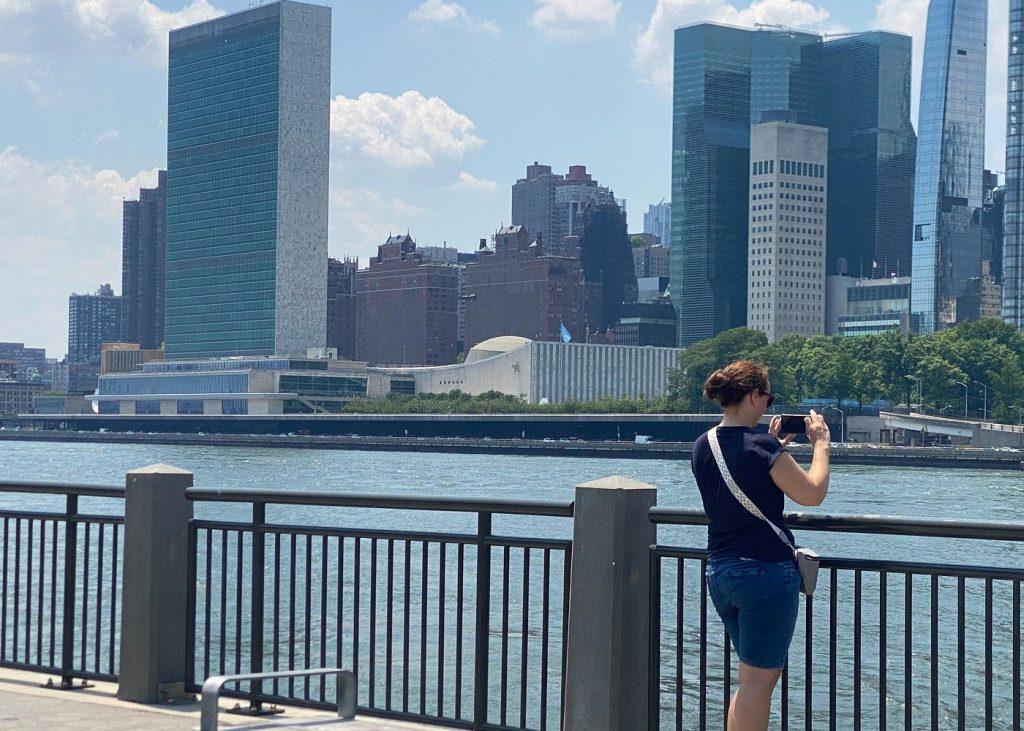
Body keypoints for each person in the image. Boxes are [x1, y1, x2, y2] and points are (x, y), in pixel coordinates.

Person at [691, 360, 831, 731]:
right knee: (758, 681)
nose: (769, 405)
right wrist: (821, 445)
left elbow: (740, 478)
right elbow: (812, 492)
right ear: (754, 395)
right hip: (764, 574)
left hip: (721, 572)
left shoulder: (703, 445)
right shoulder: (762, 446)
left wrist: (775, 448)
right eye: (768, 398)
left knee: (752, 679)